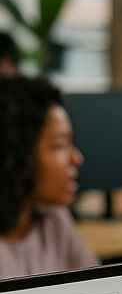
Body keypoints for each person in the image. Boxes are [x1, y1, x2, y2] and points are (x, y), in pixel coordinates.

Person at [0, 76, 94, 279]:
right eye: (60, 145)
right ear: (17, 155)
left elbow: (97, 291)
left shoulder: (55, 219)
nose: (76, 158)